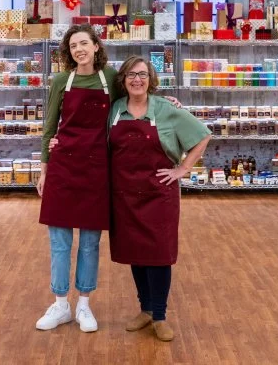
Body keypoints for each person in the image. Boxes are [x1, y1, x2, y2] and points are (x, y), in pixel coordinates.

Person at [108, 56, 210, 342]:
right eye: (131, 74)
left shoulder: (166, 109)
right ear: (123, 80)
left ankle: (161, 315)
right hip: (125, 195)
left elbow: (202, 135)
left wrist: (184, 168)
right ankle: (146, 310)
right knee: (136, 255)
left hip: (158, 195)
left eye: (142, 74)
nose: (136, 79)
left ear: (151, 79)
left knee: (158, 256)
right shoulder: (115, 110)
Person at [36, 24, 116, 333]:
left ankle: (84, 305)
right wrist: (44, 169)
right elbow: (49, 126)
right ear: (68, 53)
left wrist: (168, 105)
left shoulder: (112, 79)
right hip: (63, 167)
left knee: (90, 243)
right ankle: (60, 304)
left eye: (84, 43)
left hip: (97, 167)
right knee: (59, 241)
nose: (79, 49)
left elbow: (137, 101)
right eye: (73, 46)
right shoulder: (60, 81)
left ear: (96, 45)